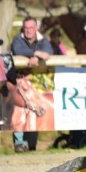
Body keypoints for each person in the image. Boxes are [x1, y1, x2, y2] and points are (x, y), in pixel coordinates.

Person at [9, 17, 55, 152]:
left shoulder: (43, 40)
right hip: (19, 81)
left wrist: (37, 57)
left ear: (37, 28)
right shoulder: (18, 39)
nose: (28, 30)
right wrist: (35, 53)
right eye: (26, 28)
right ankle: (19, 143)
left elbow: (48, 52)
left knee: (35, 111)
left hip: (35, 82)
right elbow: (18, 50)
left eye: (31, 27)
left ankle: (32, 144)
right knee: (19, 111)